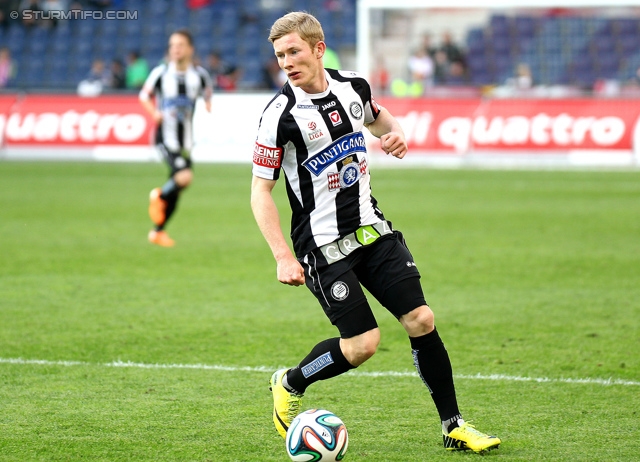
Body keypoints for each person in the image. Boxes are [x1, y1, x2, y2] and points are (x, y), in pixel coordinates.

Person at [250, 12, 501, 454]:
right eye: (279, 55)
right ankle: (289, 382)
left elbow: (383, 122)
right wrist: (282, 256)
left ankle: (454, 425)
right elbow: (260, 192)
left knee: (421, 319)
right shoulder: (279, 116)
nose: (286, 62)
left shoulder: (353, 87)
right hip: (322, 246)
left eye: (294, 51)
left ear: (318, 49)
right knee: (363, 344)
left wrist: (397, 136)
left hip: (372, 230)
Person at [139, 29, 213, 247]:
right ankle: (159, 196)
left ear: (190, 49)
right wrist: (154, 113)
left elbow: (207, 92)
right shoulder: (161, 73)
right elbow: (144, 96)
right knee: (184, 177)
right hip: (165, 137)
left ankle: (158, 231)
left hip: (186, 142)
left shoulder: (199, 75)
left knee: (179, 188)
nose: (176, 49)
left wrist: (208, 105)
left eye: (180, 45)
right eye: (172, 45)